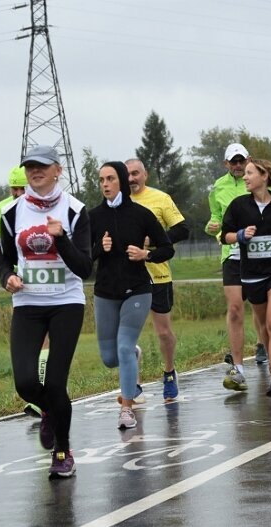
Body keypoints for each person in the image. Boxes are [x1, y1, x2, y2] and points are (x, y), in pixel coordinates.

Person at [0, 144, 92, 479]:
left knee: (54, 381)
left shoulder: (75, 210)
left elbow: (85, 267)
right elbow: (1, 256)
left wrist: (61, 239)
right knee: (24, 383)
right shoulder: (12, 213)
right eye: (30, 167)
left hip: (66, 302)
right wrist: (7, 276)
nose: (35, 172)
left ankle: (62, 451)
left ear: (57, 170)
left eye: (42, 166)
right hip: (28, 304)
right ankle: (51, 411)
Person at [89, 161, 174, 429]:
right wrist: (99, 249)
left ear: (122, 182)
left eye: (110, 179)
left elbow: (167, 248)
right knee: (110, 358)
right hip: (105, 292)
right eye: (101, 179)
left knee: (123, 346)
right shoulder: (93, 217)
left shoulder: (141, 214)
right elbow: (83, 257)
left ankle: (127, 409)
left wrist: (145, 254)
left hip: (138, 289)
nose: (105, 184)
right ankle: (132, 356)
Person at [205, 143, 271, 392]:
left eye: (242, 161)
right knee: (236, 309)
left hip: (262, 256)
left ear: (248, 160)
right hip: (232, 254)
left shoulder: (264, 182)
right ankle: (238, 369)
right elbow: (216, 217)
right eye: (233, 162)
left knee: (262, 314)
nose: (238, 166)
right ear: (225, 164)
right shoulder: (218, 186)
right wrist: (214, 226)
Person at [221, 159, 271, 398]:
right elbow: (225, 236)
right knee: (264, 325)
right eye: (244, 174)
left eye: (249, 173)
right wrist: (241, 235)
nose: (245, 177)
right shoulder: (238, 206)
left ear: (264, 176)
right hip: (252, 273)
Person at [126, 158, 189, 402]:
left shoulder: (160, 199)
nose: (131, 178)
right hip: (129, 277)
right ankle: (134, 385)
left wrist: (152, 242)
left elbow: (182, 230)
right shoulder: (118, 203)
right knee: (128, 333)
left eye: (135, 173)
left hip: (158, 274)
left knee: (163, 332)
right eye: (127, 174)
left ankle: (169, 371)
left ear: (145, 175)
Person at [0, 166, 48, 418]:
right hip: (20, 282)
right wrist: (7, 276)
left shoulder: (47, 206)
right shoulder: (0, 211)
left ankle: (43, 394)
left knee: (48, 338)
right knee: (31, 340)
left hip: (47, 279)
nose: (17, 193)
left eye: (22, 188)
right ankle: (39, 390)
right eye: (13, 188)